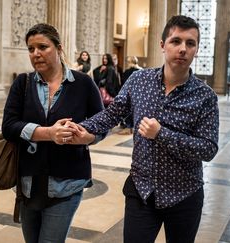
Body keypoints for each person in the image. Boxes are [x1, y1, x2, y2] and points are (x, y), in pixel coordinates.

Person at [68, 15, 219, 243]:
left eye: (190, 43)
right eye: (175, 41)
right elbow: (112, 113)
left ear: (196, 49)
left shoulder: (205, 96)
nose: (182, 49)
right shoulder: (139, 80)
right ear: (162, 45)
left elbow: (208, 149)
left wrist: (162, 134)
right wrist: (81, 129)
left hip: (184, 195)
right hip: (142, 190)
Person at [1, 23, 104, 243]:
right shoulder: (23, 83)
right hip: (28, 182)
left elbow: (102, 124)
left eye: (42, 47)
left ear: (59, 48)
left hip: (66, 183)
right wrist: (48, 133)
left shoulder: (84, 84)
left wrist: (88, 137)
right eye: (31, 49)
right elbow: (9, 126)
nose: (36, 53)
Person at [118, 56, 143, 135]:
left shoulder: (128, 72)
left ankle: (129, 128)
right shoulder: (141, 70)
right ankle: (133, 128)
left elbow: (124, 84)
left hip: (130, 93)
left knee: (128, 111)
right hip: (140, 94)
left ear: (130, 62)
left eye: (128, 62)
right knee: (136, 111)